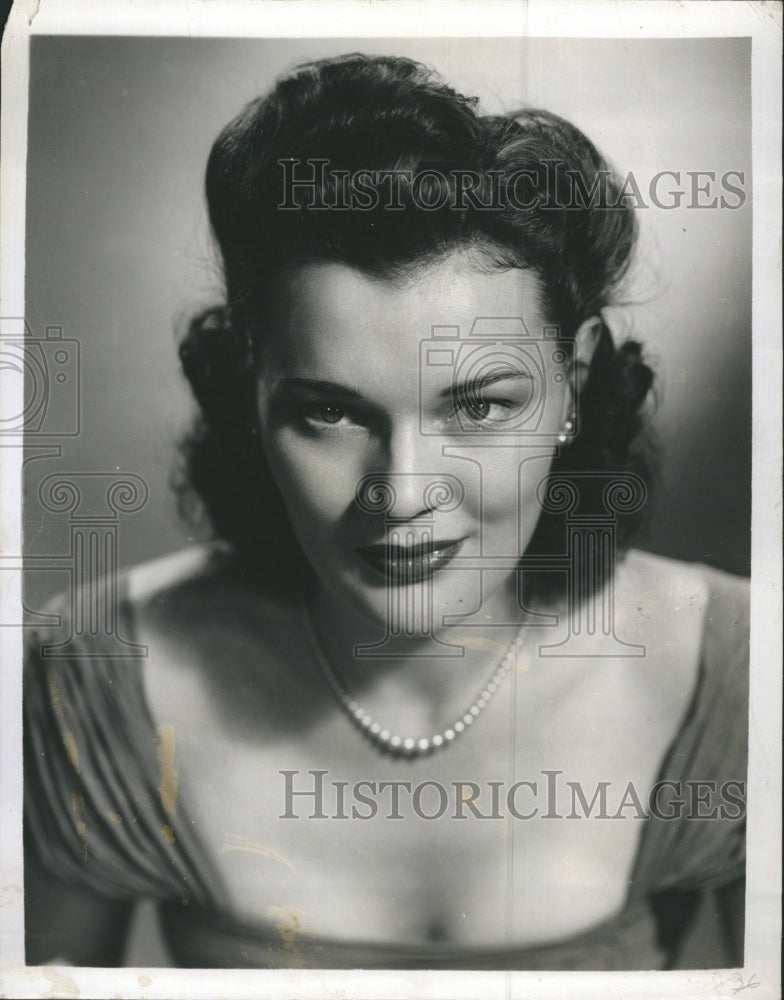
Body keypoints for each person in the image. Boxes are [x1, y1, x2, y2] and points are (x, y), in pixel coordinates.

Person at [23, 53, 748, 970]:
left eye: (477, 406)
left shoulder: (739, 675)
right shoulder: (96, 673)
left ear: (575, 380)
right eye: (330, 411)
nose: (402, 493)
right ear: (253, 385)